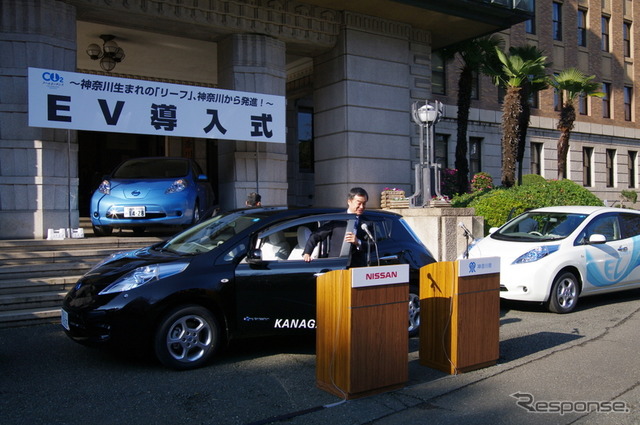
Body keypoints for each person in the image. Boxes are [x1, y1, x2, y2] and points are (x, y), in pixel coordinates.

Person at [302, 187, 369, 266]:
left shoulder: (367, 223)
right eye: (359, 203)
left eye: (364, 203)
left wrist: (358, 242)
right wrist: (307, 253)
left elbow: (373, 245)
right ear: (349, 201)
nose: (361, 207)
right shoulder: (338, 219)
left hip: (357, 267)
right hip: (336, 266)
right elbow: (316, 235)